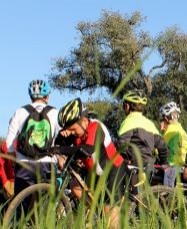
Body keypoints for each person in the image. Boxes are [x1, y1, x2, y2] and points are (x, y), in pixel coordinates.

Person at [55, 98, 126, 229]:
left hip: (113, 169)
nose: (70, 133)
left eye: (72, 129)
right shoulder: (76, 131)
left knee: (110, 216)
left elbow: (86, 150)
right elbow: (59, 144)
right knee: (75, 186)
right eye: (68, 130)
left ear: (82, 121)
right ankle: (96, 214)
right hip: (96, 172)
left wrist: (60, 149)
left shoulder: (95, 127)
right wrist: (61, 137)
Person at [4, 79, 60, 196]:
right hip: (47, 162)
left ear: (30, 96)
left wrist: (14, 159)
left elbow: (9, 142)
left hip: (24, 163)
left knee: (22, 204)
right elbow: (61, 138)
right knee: (47, 201)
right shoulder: (55, 112)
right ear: (47, 96)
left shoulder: (20, 112)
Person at [118, 90, 169, 175]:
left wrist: (126, 160)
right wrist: (164, 163)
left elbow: (121, 145)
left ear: (126, 106)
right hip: (150, 165)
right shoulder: (149, 123)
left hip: (133, 166)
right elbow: (162, 146)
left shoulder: (128, 121)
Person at [159, 101, 187, 187]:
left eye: (162, 119)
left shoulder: (170, 129)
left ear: (166, 118)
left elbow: (159, 146)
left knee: (167, 192)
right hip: (181, 166)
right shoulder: (183, 131)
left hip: (171, 166)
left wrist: (162, 131)